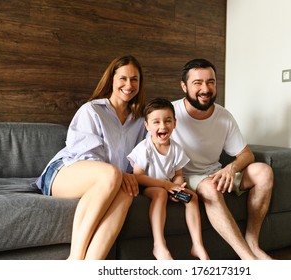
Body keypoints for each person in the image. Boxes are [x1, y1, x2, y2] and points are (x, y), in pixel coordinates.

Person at [33, 55, 146, 260]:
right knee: (112, 175)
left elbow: (142, 161)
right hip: (65, 171)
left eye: (134, 79)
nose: (129, 85)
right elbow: (87, 156)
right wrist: (120, 173)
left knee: (128, 193)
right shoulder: (92, 109)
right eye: (123, 78)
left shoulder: (140, 122)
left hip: (113, 180)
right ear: (111, 80)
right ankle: (75, 260)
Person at [170, 58, 274, 260]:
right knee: (210, 187)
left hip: (215, 173)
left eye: (210, 82)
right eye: (197, 83)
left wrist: (231, 168)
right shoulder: (169, 113)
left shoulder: (224, 116)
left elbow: (246, 154)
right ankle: (248, 259)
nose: (205, 88)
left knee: (264, 171)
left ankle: (254, 244)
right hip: (188, 177)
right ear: (184, 86)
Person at [127, 98, 209, 260]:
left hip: (168, 186)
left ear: (175, 123)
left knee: (192, 197)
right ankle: (159, 245)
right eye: (156, 122)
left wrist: (177, 186)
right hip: (149, 186)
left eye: (167, 121)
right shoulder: (145, 149)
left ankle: (197, 245)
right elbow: (138, 177)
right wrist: (166, 185)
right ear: (147, 126)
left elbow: (178, 174)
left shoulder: (176, 149)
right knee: (160, 193)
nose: (163, 126)